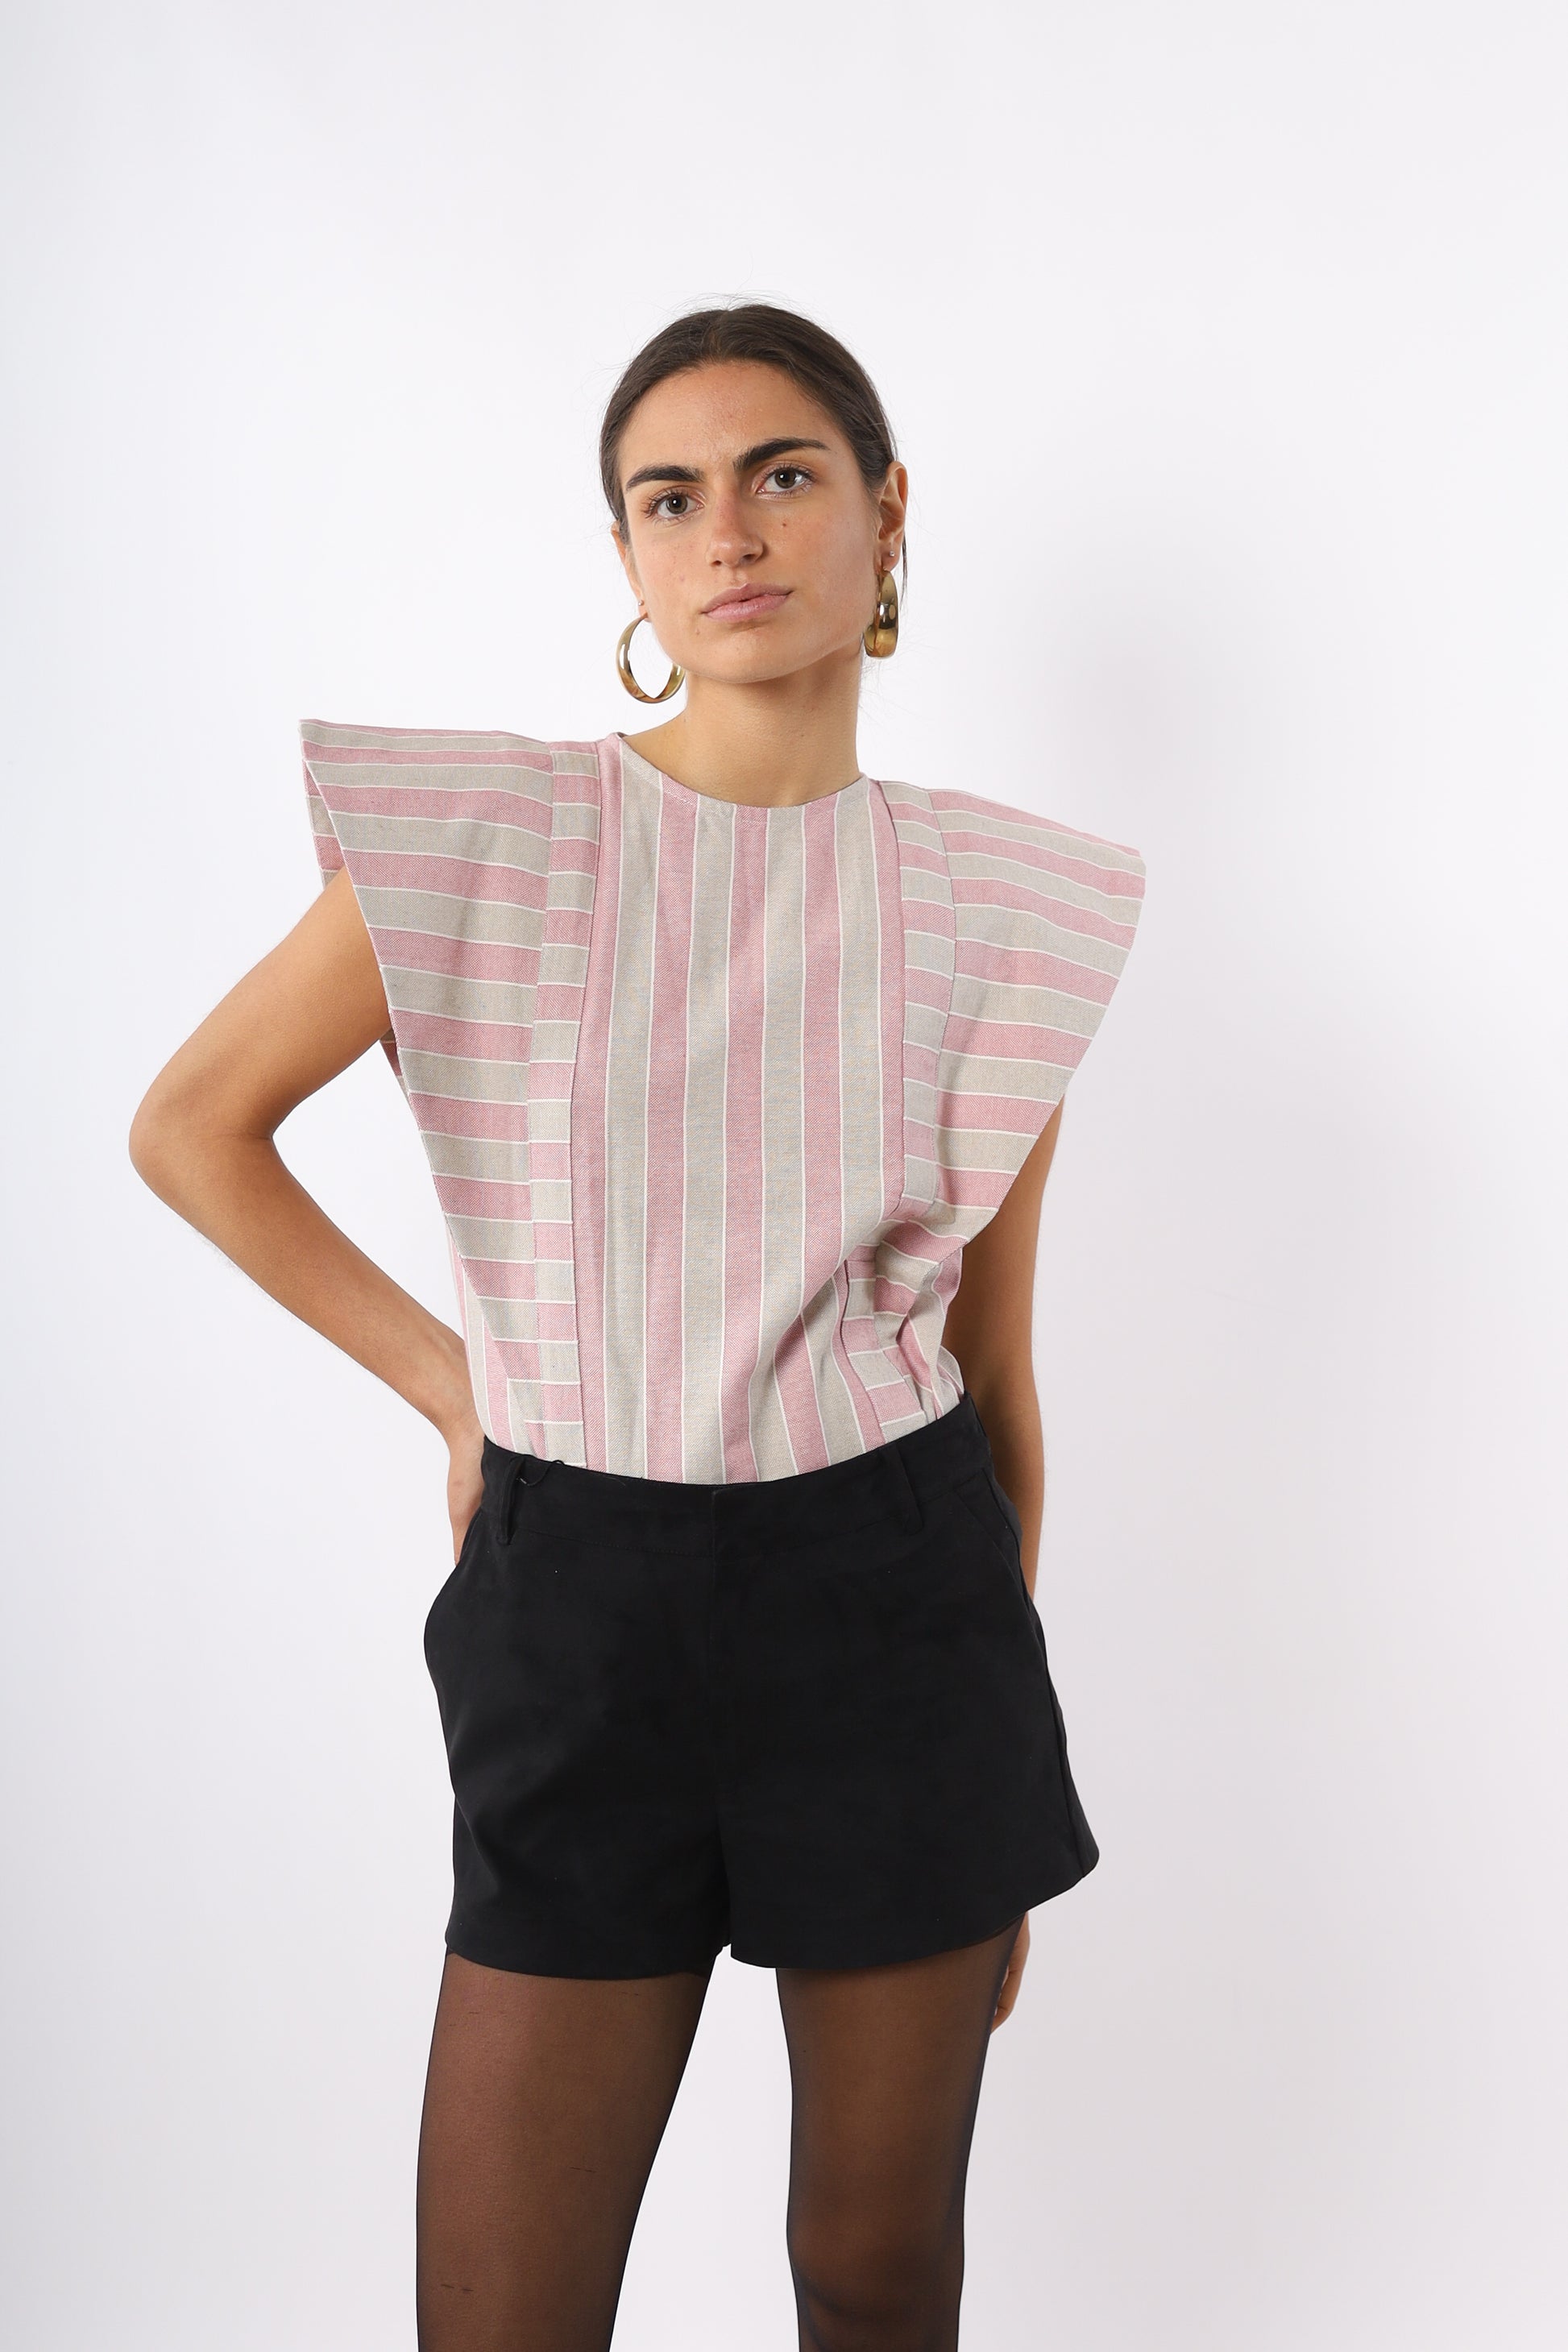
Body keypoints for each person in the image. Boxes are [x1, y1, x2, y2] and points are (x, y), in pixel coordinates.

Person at [129, 301, 1147, 2352]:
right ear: (626, 558)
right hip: (578, 1608)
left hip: (900, 1617)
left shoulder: (999, 903)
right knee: (504, 2315)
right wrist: (457, 1387)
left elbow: (991, 1372)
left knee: (875, 2276)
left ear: (886, 513)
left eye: (782, 474)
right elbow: (193, 1126)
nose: (727, 532)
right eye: (665, 499)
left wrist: (990, 1777)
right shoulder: (496, 839)